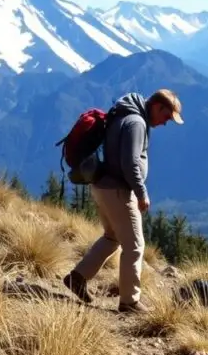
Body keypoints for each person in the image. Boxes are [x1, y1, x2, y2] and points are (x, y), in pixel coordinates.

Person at [63, 89, 183, 313]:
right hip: (118, 190)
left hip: (102, 185)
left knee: (112, 237)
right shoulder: (136, 122)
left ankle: (77, 277)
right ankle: (130, 302)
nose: (165, 123)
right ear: (157, 106)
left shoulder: (124, 114)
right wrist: (141, 192)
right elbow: (130, 162)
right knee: (135, 245)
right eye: (166, 116)